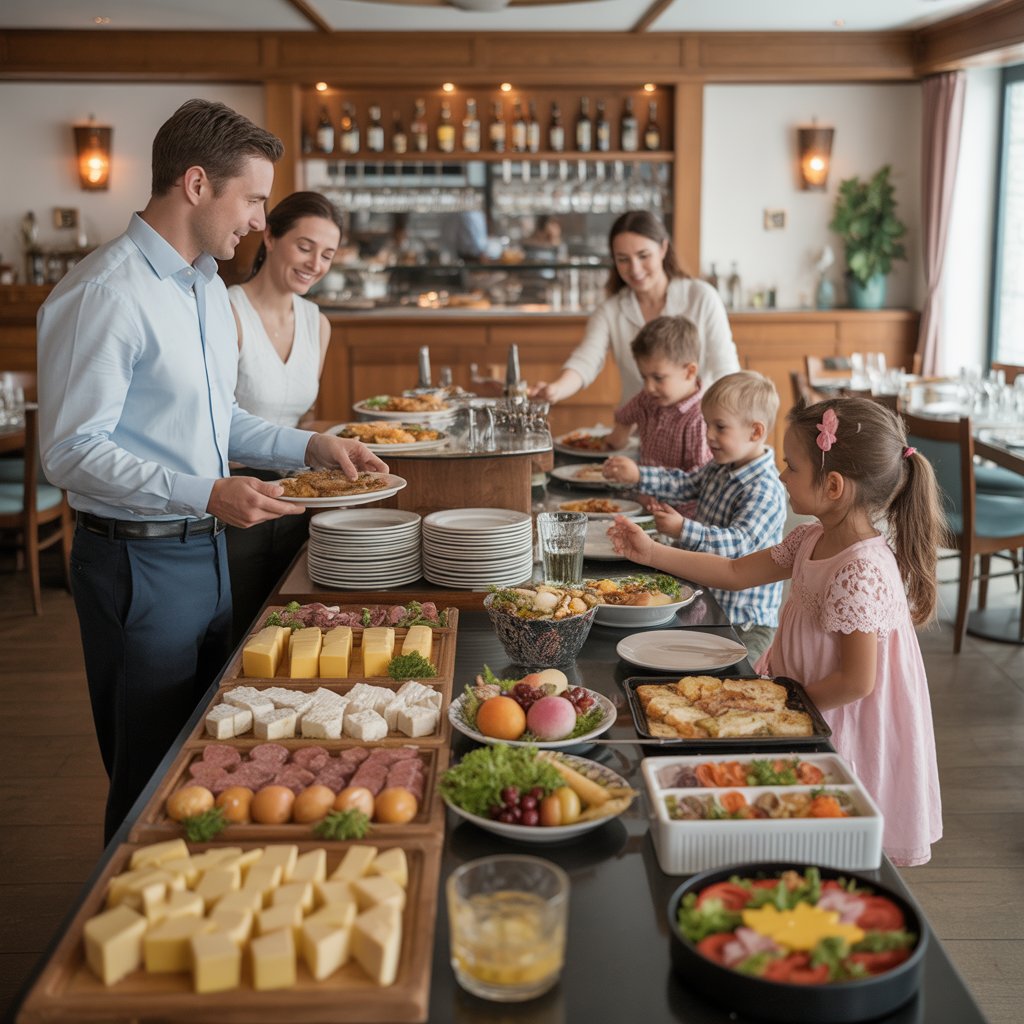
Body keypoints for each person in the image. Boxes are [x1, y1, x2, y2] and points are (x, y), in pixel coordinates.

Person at [36, 99, 387, 843]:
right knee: (147, 781)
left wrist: (311, 446)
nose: (262, 221)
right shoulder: (105, 290)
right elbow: (69, 451)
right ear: (197, 184)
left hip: (207, 550)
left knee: (211, 763)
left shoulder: (198, 285)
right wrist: (207, 490)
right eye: (255, 198)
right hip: (138, 561)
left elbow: (216, 420)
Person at [609, 397, 944, 865]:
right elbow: (733, 570)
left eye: (791, 466)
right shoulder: (810, 537)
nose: (782, 475)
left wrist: (773, 713)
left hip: (833, 715)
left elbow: (856, 682)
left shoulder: (860, 570)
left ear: (832, 485)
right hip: (799, 699)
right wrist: (652, 553)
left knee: (831, 830)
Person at [226, 191, 344, 644]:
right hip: (237, 501)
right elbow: (215, 417)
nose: (315, 263)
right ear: (270, 236)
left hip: (297, 499)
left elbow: (303, 417)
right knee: (242, 635)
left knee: (297, 630)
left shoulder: (318, 322)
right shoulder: (228, 310)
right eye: (305, 246)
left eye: (327, 254)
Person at [603, 371, 785, 662]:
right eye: (707, 424)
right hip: (706, 607)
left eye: (720, 427)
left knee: (734, 684)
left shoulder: (765, 489)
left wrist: (684, 530)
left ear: (756, 432)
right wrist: (639, 475)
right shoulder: (720, 466)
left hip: (744, 624)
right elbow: (685, 484)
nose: (709, 435)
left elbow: (741, 546)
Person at [531, 209, 739, 406]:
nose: (635, 269)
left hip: (698, 429)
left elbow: (726, 370)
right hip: (635, 432)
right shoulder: (610, 310)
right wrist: (555, 389)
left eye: (643, 256)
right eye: (623, 259)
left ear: (663, 249)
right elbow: (586, 361)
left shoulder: (701, 297)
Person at [599, 315, 712, 479]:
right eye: (644, 377)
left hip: (679, 503)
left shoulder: (700, 419)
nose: (648, 387)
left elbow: (698, 481)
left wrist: (649, 484)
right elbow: (623, 421)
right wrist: (613, 441)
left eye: (658, 378)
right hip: (643, 492)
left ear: (690, 372)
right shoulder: (647, 400)